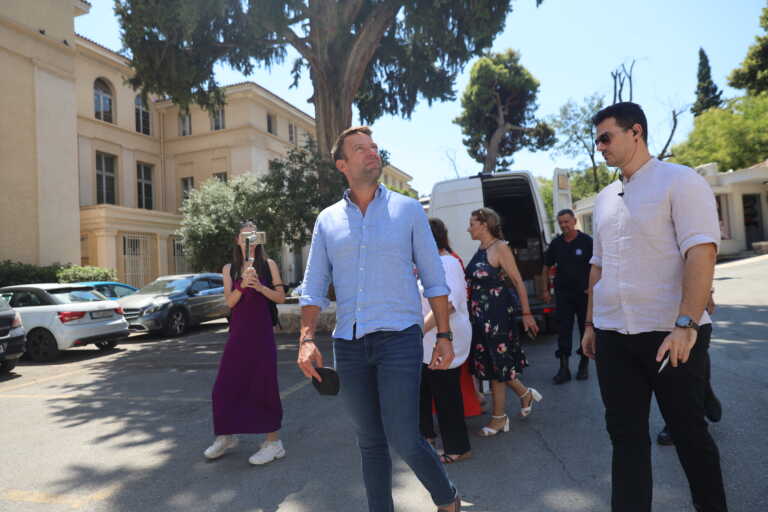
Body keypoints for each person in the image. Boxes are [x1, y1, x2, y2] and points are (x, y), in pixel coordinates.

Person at [297, 126, 461, 512]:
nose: (372, 152)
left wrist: (444, 335)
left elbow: (434, 277)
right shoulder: (327, 220)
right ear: (342, 164)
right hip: (348, 344)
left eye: (374, 146)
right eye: (360, 148)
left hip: (399, 339)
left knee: (404, 436)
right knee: (369, 442)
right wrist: (306, 339)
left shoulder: (408, 210)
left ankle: (447, 498)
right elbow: (314, 284)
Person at [581, 102, 728, 511]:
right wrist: (591, 325)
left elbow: (701, 251)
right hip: (613, 337)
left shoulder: (680, 181)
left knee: (689, 435)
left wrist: (686, 324)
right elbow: (598, 266)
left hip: (671, 335)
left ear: (636, 132)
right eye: (597, 141)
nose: (600, 147)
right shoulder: (604, 199)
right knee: (625, 439)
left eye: (606, 138)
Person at [205, 221, 287, 465]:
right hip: (238, 336)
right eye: (244, 237)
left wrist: (260, 287)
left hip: (262, 336)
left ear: (258, 239)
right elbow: (230, 303)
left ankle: (273, 443)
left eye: (252, 236)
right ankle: (226, 436)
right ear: (237, 241)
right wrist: (242, 284)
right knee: (223, 386)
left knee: (264, 386)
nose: (248, 241)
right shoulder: (229, 269)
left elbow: (280, 298)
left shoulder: (269, 264)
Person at [466, 207, 542, 437]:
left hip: (497, 316)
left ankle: (499, 418)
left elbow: (518, 281)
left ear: (484, 225)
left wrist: (527, 314)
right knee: (493, 365)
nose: (468, 228)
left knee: (498, 364)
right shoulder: (482, 248)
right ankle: (524, 395)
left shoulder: (500, 247)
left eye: (472, 224)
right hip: (481, 317)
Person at [419, 218, 472, 464]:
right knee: (424, 390)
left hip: (443, 337)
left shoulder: (447, 263)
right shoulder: (428, 263)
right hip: (427, 340)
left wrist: (419, 329)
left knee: (446, 393)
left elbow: (448, 304)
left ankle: (458, 447)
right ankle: (426, 438)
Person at [657, 289, 722, 445]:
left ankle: (680, 422)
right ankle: (705, 392)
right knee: (669, 376)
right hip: (645, 319)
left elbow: (701, 272)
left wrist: (708, 292)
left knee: (685, 376)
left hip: (690, 317)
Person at [542, 209, 593, 384]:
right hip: (563, 294)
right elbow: (546, 266)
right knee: (564, 330)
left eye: (566, 221)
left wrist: (593, 288)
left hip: (584, 294)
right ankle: (564, 368)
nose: (564, 225)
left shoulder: (587, 241)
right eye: (561, 222)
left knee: (585, 329)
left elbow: (597, 266)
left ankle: (584, 364)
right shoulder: (556, 244)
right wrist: (545, 290)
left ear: (574, 221)